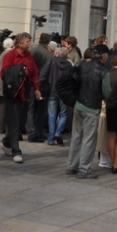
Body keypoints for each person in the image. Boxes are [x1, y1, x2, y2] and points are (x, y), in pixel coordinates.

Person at [67, 44, 110, 179]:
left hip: (78, 104)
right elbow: (107, 92)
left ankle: (71, 166)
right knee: (89, 139)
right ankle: (84, 169)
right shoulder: (103, 71)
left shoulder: (81, 65)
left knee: (77, 136)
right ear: (103, 56)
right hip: (92, 106)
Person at [0, 32, 41, 164]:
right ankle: (16, 151)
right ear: (20, 43)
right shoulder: (10, 55)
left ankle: (6, 141)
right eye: (28, 41)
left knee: (21, 120)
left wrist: (37, 89)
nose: (30, 43)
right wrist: (21, 71)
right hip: (13, 91)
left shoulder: (29, 56)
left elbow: (34, 73)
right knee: (13, 120)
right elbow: (4, 73)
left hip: (26, 90)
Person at [41, 45, 74, 147]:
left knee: (52, 116)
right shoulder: (69, 64)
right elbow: (72, 79)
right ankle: (58, 133)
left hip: (52, 91)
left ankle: (51, 139)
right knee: (64, 114)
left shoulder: (51, 62)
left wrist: (45, 86)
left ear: (57, 53)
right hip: (64, 93)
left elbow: (43, 76)